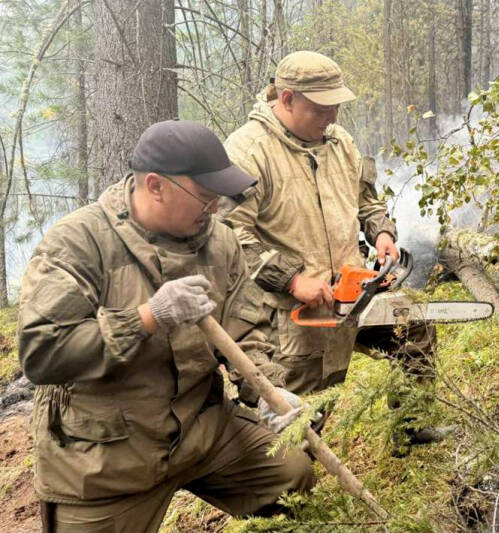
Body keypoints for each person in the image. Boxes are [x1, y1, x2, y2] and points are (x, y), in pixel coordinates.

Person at [18, 120, 314, 533]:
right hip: (105, 458)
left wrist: (268, 391)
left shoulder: (222, 242)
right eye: (206, 197)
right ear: (155, 186)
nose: (215, 208)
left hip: (201, 431)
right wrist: (147, 317)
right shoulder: (78, 243)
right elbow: (42, 353)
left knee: (290, 472)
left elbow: (247, 333)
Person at [222, 51, 443, 449]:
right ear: (287, 99)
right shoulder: (246, 152)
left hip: (355, 289)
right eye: (321, 108)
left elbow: (367, 201)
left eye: (336, 106)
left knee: (414, 326)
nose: (332, 117)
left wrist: (381, 233)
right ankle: (288, 491)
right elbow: (230, 240)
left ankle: (412, 426)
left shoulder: (340, 142)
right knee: (301, 415)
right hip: (293, 310)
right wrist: (291, 280)